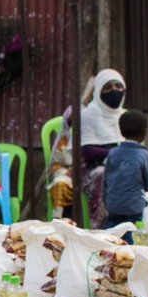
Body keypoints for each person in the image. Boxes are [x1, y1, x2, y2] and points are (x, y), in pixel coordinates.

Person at [47, 69, 127, 227]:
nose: (114, 91)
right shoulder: (89, 115)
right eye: (108, 87)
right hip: (89, 168)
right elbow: (86, 151)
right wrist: (117, 153)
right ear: (98, 91)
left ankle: (132, 223)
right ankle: (103, 226)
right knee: (103, 174)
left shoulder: (125, 116)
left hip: (120, 165)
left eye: (118, 86)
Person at [102, 111, 148, 234]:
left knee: (113, 234)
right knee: (133, 235)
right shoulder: (144, 155)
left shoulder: (112, 153)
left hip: (113, 205)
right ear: (144, 132)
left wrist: (107, 201)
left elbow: (105, 182)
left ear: (120, 131)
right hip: (134, 208)